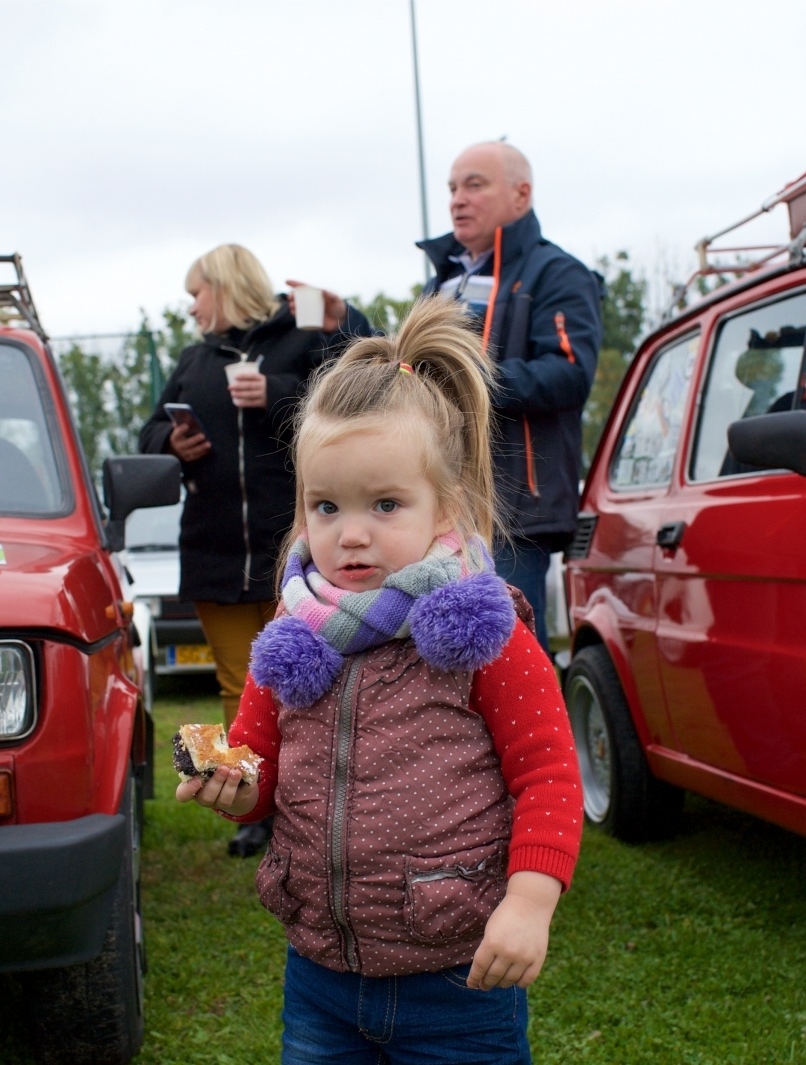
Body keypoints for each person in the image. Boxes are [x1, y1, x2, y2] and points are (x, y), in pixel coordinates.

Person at [177, 297, 582, 1063]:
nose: (351, 531)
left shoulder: (482, 633)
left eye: (385, 503)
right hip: (321, 980)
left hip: (459, 980)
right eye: (326, 506)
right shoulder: (289, 640)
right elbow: (259, 775)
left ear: (445, 507)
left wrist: (530, 903)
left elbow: (550, 776)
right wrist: (233, 785)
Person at [293, 142, 601, 652]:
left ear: (521, 194)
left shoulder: (559, 274)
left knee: (506, 655)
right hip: (430, 497)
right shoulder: (444, 279)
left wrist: (461, 379)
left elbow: (568, 373)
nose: (458, 199)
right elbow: (411, 370)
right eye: (453, 188)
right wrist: (348, 324)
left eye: (474, 184)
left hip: (515, 509)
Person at [141, 244, 369, 857]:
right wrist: (173, 438)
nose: (191, 308)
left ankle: (314, 801)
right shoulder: (193, 360)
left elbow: (358, 392)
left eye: (197, 294)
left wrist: (275, 391)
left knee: (302, 680)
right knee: (235, 683)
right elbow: (149, 431)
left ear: (225, 286)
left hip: (291, 549)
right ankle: (250, 805)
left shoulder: (301, 342)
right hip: (214, 548)